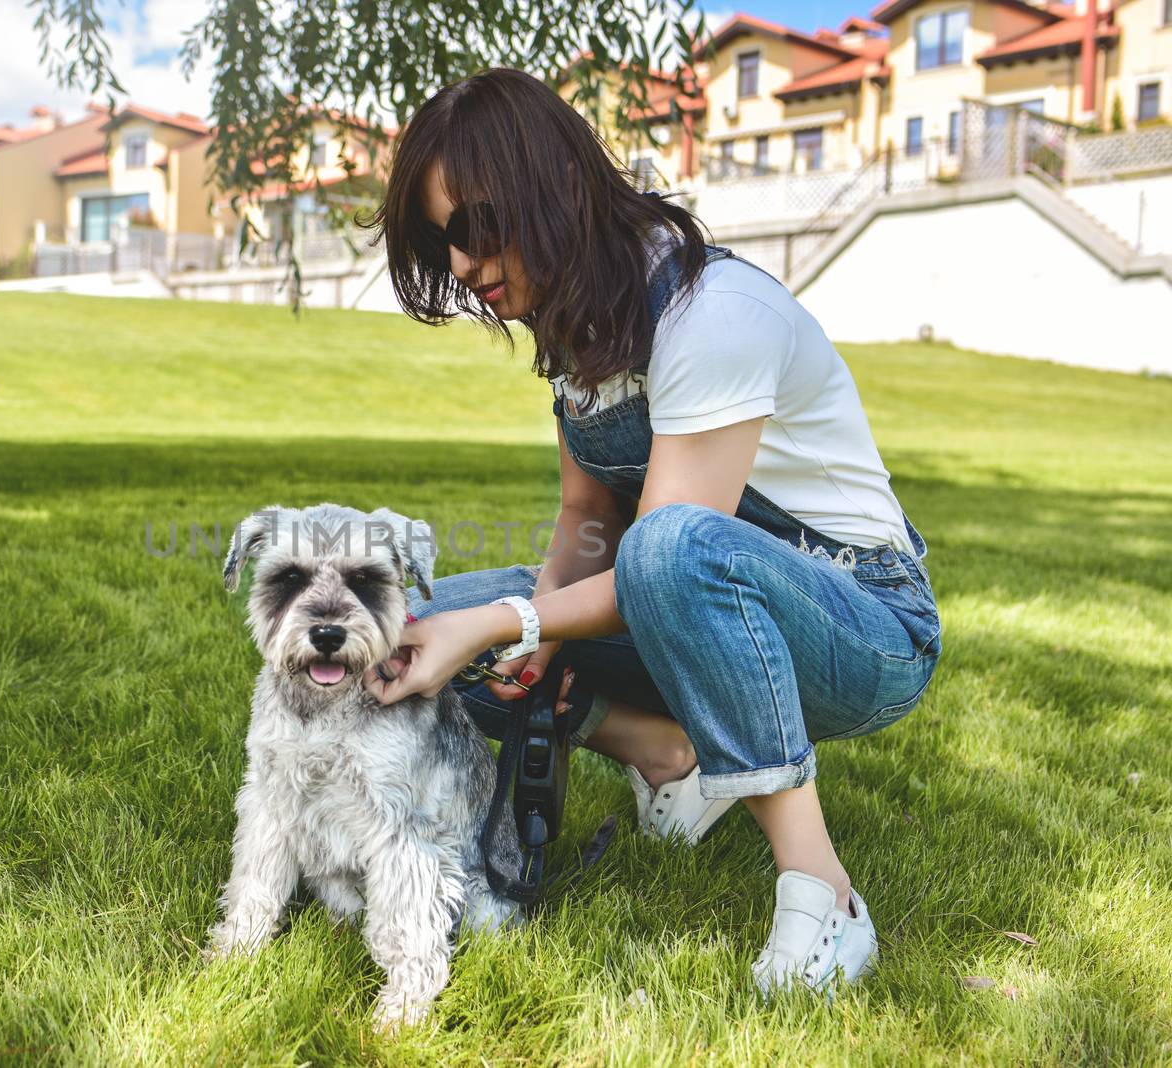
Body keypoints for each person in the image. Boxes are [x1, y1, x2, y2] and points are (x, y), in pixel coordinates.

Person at [359, 67, 942, 994]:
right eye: (444, 244)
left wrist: (519, 622)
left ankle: (822, 892)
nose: (463, 267)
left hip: (866, 631)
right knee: (414, 626)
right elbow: (588, 517)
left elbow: (668, 552)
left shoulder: (711, 315)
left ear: (545, 188)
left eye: (471, 229)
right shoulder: (583, 329)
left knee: (657, 554)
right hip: (696, 607)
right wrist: (519, 632)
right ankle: (665, 755)